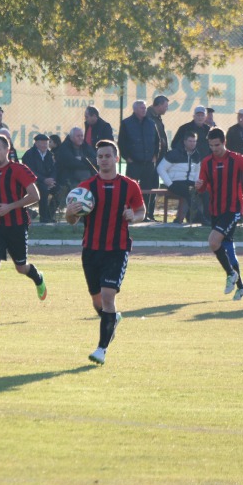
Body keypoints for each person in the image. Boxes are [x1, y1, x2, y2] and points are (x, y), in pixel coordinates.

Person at [65, 139, 145, 365]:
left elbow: (140, 210)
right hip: (91, 250)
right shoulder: (85, 188)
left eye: (107, 156)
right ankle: (112, 320)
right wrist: (69, 212)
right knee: (98, 302)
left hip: (117, 250)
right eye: (100, 156)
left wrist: (134, 217)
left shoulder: (129, 186)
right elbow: (71, 221)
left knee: (109, 297)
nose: (103, 160)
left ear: (116, 158)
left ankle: (101, 349)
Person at [0, 134, 47, 320]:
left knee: (21, 267)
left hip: (16, 226)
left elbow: (35, 196)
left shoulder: (19, 169)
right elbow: (0, 196)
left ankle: (38, 278)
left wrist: (10, 207)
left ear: (8, 150)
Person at [195, 127, 243, 300]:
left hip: (233, 209)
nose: (214, 148)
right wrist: (199, 185)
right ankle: (240, 288)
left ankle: (231, 274)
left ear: (224, 143)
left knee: (213, 241)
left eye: (217, 145)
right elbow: (202, 188)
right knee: (226, 249)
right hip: (216, 210)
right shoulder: (206, 162)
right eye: (211, 145)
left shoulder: (236, 159)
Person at [118, 100, 159, 221]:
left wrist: (155, 156)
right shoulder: (126, 123)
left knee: (147, 189)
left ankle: (144, 215)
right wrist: (128, 158)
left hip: (148, 163)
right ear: (135, 109)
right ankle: (129, 214)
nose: (144, 110)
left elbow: (157, 141)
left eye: (145, 108)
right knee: (130, 189)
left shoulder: (151, 123)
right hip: (134, 163)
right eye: (141, 108)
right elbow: (121, 143)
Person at [157, 131, 204, 224]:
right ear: (184, 142)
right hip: (175, 183)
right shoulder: (173, 154)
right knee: (189, 192)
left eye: (194, 141)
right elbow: (160, 168)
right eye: (190, 141)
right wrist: (169, 184)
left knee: (204, 192)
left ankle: (205, 217)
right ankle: (197, 217)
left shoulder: (197, 155)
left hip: (189, 183)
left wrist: (196, 184)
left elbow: (197, 172)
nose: (192, 143)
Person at [21, 133, 58, 223]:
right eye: (42, 143)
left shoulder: (50, 154)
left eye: (46, 143)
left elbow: (54, 169)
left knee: (59, 190)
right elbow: (30, 171)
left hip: (48, 181)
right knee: (43, 190)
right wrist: (44, 180)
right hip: (34, 181)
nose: (45, 145)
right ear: (36, 143)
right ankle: (44, 218)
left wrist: (52, 180)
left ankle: (49, 215)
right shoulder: (29, 154)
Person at [147, 94, 170, 165]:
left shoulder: (157, 117)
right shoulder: (148, 117)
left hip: (158, 155)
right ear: (159, 105)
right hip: (151, 156)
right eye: (166, 106)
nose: (167, 108)